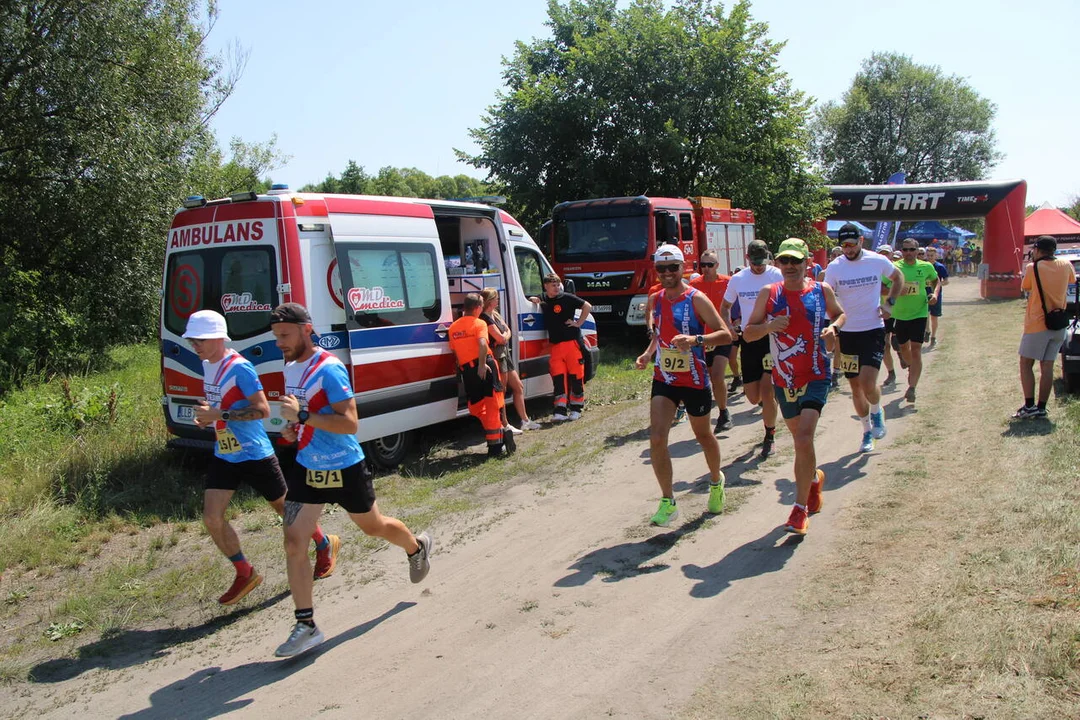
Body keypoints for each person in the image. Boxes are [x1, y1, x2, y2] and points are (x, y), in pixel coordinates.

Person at [270, 303, 432, 658]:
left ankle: (416, 548)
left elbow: (350, 423)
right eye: (276, 335)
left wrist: (305, 415)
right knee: (294, 540)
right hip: (308, 465)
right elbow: (304, 415)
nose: (279, 342)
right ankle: (306, 625)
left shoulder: (328, 369)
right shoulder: (291, 365)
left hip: (344, 465)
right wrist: (292, 425)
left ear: (306, 329)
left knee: (374, 527)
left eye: (284, 335)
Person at [184, 310, 338, 607]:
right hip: (226, 453)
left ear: (218, 337)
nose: (195, 345)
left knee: (287, 514)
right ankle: (245, 572)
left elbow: (263, 410)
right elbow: (219, 404)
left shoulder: (239, 367)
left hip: (255, 454)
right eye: (192, 340)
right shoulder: (206, 365)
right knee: (212, 517)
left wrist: (220, 414)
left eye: (200, 339)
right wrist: (207, 416)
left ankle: (324, 543)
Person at [743, 238, 845, 535]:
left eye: (795, 261)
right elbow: (747, 334)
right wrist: (769, 327)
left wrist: (833, 328)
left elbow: (839, 313)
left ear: (806, 262)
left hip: (816, 373)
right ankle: (812, 480)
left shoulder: (820, 290)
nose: (790, 267)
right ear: (778, 263)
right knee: (801, 441)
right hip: (784, 379)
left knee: (802, 439)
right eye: (785, 261)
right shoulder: (769, 293)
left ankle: (798, 510)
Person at [635, 244, 733, 526]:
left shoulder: (697, 298)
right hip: (665, 377)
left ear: (683, 268)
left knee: (703, 435)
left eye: (672, 268)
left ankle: (716, 481)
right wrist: (647, 353)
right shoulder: (656, 299)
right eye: (661, 269)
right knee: (656, 437)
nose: (667, 274)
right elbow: (658, 333)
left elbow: (725, 335)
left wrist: (695, 341)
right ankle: (668, 500)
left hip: (694, 378)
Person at [822, 224, 903, 452]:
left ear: (861, 241)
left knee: (868, 383)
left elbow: (898, 278)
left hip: (873, 329)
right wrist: (832, 325)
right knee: (856, 387)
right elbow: (827, 296)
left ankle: (877, 412)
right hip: (848, 333)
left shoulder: (877, 260)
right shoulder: (835, 267)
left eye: (852, 244)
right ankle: (867, 432)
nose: (848, 249)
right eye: (844, 245)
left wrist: (890, 303)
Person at [722, 240, 784, 457]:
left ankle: (769, 435)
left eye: (762, 261)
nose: (759, 266)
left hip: (772, 338)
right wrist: (729, 328)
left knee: (766, 390)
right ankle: (770, 402)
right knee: (752, 396)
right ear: (748, 259)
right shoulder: (739, 279)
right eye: (755, 262)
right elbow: (725, 307)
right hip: (749, 339)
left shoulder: (777, 275)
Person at [1014, 236, 1076, 418]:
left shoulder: (1033, 268)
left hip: (1038, 323)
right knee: (1047, 365)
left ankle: (1029, 405)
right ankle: (1041, 407)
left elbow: (1025, 287)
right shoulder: (1066, 265)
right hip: (1059, 323)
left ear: (1037, 249)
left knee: (1026, 363)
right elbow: (1071, 281)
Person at [450, 293, 516, 456]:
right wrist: (481, 365)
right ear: (478, 308)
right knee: (490, 404)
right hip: (484, 366)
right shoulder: (479, 323)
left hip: (469, 369)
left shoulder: (453, 327)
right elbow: (481, 344)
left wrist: (463, 371)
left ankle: (495, 446)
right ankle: (500, 433)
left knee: (479, 405)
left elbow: (455, 352)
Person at [527, 274, 592, 421]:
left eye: (558, 285)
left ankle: (576, 408)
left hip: (572, 343)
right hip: (555, 346)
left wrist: (578, 323)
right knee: (558, 377)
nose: (556, 288)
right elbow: (535, 299)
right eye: (553, 285)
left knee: (576, 376)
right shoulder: (544, 298)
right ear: (546, 287)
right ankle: (560, 410)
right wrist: (534, 299)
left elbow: (587, 306)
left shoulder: (567, 298)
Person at [480, 288, 540, 432]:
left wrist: (504, 336)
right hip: (497, 356)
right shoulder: (484, 318)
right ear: (490, 301)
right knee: (502, 390)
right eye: (496, 298)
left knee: (518, 386)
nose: (498, 301)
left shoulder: (495, 314)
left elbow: (507, 331)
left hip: (505, 353)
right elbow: (501, 338)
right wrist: (505, 336)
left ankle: (525, 420)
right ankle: (504, 424)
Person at [689, 249, 736, 433]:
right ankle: (711, 411)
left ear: (717, 266)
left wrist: (735, 323)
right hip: (703, 338)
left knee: (717, 375)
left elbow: (737, 304)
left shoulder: (728, 282)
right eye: (703, 265)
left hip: (723, 336)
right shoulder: (694, 285)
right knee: (708, 378)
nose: (706, 268)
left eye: (710, 265)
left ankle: (723, 413)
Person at [892, 239, 940, 404]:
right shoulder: (895, 267)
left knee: (917, 349)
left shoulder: (925, 266)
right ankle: (911, 367)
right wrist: (896, 290)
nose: (908, 253)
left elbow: (936, 281)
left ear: (917, 250)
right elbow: (882, 287)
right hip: (900, 315)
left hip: (920, 313)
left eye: (912, 249)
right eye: (905, 250)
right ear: (902, 251)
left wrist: (935, 294)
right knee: (904, 348)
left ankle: (912, 387)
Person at [876, 245, 900, 388]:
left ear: (892, 255)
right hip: (883, 312)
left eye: (887, 254)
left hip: (900, 312)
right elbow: (881, 289)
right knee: (885, 345)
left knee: (899, 343)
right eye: (882, 254)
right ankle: (891, 372)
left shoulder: (898, 269)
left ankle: (905, 359)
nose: (884, 256)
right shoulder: (875, 270)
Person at [925, 246, 949, 348]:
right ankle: (927, 330)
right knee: (925, 314)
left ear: (936, 255)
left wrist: (937, 285)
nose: (930, 257)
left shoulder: (940, 267)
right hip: (924, 294)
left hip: (936, 294)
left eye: (932, 255)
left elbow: (946, 281)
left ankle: (933, 337)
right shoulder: (923, 266)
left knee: (934, 317)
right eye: (928, 255)